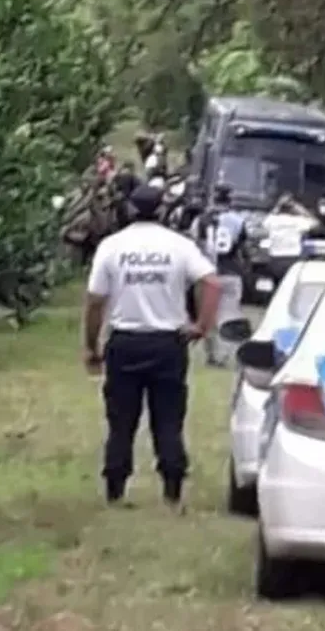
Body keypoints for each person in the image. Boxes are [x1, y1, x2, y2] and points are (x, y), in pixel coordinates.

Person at [83, 184, 221, 511]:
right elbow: (212, 282)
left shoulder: (112, 247)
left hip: (125, 342)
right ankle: (172, 491)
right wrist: (201, 325)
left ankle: (115, 490)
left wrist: (91, 346)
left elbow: (95, 301)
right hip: (167, 345)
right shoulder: (179, 246)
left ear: (130, 210)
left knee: (121, 420)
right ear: (162, 211)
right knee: (169, 418)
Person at [194, 184, 248, 367]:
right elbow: (242, 246)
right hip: (230, 270)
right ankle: (227, 354)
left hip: (207, 271)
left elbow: (196, 244)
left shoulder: (202, 219)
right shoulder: (238, 220)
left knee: (208, 314)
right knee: (230, 314)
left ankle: (212, 355)